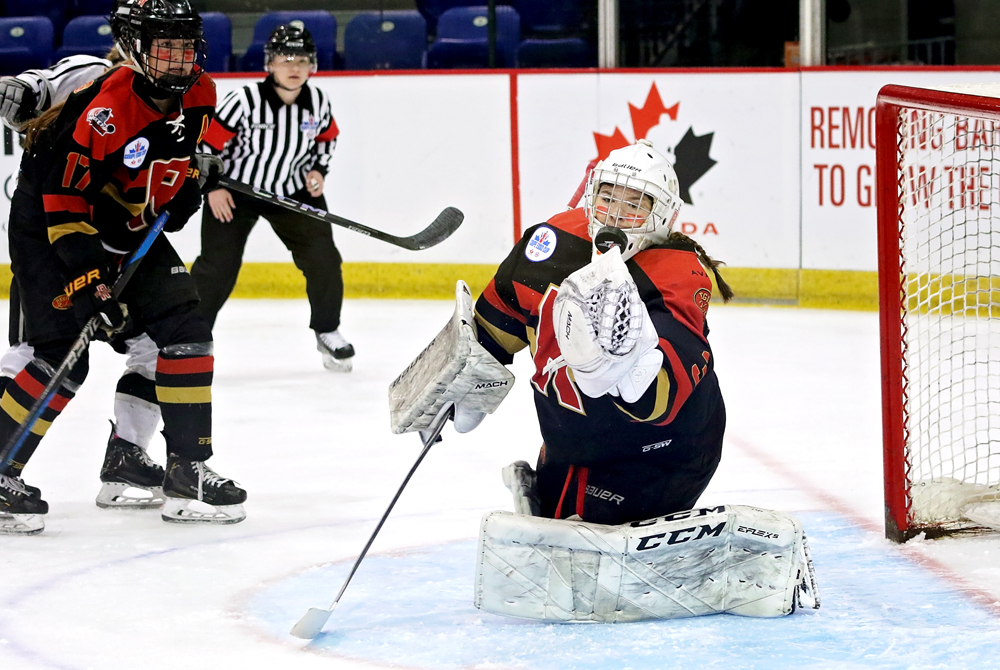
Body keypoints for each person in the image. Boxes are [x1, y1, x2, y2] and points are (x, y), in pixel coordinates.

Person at [0, 0, 246, 535]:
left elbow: (167, 168)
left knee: (185, 329)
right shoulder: (105, 107)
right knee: (63, 355)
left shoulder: (201, 93)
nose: (179, 58)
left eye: (186, 46)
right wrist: (90, 279)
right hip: (51, 231)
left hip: (125, 226)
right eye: (166, 47)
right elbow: (63, 199)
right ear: (134, 50)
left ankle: (188, 469)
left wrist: (184, 189)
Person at [472, 139, 733, 526]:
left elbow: (662, 395)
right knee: (561, 541)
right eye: (609, 197)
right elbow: (501, 318)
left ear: (662, 214)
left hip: (660, 454)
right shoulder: (551, 241)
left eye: (634, 204)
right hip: (573, 441)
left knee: (593, 556)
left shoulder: (677, 271)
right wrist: (469, 367)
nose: (615, 216)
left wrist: (629, 370)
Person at [0, 3, 172, 511]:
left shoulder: (174, 100)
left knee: (159, 347)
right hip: (53, 240)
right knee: (45, 354)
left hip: (114, 249)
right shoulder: (91, 74)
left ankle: (126, 459)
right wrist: (23, 92)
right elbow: (33, 90)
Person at [194, 24, 353, 372]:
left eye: (302, 59)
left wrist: (318, 171)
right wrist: (214, 187)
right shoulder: (244, 100)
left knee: (323, 258)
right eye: (285, 58)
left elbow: (327, 138)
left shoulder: (318, 101)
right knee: (217, 268)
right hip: (237, 192)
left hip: (291, 191)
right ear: (270, 64)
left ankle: (327, 330)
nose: (294, 67)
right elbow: (205, 148)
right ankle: (191, 336)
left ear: (313, 65)